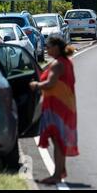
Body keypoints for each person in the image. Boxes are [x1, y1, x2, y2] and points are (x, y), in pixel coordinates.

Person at [29, 36, 78, 185]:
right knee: (59, 140)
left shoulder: (57, 64)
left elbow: (50, 83)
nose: (46, 49)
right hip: (66, 105)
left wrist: (36, 85)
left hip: (57, 108)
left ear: (56, 47)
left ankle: (57, 175)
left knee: (57, 141)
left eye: (49, 46)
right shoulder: (67, 62)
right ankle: (60, 171)